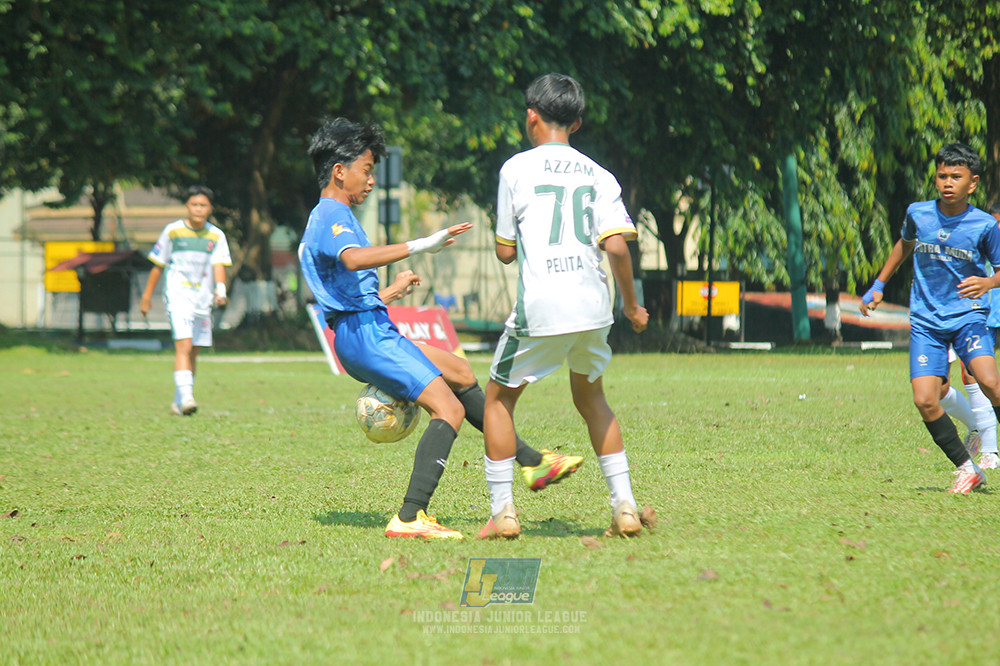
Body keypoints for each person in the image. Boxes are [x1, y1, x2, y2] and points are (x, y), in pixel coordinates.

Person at [298, 117, 583, 540]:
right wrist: (422, 243)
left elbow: (340, 287)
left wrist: (390, 290)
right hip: (366, 336)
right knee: (447, 409)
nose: (372, 180)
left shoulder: (330, 215)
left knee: (461, 372)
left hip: (367, 327)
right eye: (367, 169)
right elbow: (353, 260)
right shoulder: (331, 214)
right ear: (339, 171)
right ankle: (411, 516)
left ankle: (531, 461)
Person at [478, 73, 654, 540]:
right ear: (576, 122)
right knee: (592, 399)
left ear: (531, 115)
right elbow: (616, 247)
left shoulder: (515, 170)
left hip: (542, 308)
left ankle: (503, 514)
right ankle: (626, 508)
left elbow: (505, 251)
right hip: (594, 309)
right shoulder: (600, 174)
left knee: (498, 401)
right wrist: (633, 309)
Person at [860, 143, 1000, 493]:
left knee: (990, 381)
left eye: (956, 176)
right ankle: (968, 468)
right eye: (942, 176)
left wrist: (988, 281)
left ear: (973, 183)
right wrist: (879, 284)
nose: (947, 182)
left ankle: (989, 445)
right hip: (925, 321)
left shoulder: (984, 225)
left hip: (967, 317)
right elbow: (904, 244)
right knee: (925, 398)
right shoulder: (918, 213)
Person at [140, 186, 231, 416]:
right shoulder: (172, 231)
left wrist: (220, 290)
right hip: (178, 296)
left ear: (210, 209)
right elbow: (158, 264)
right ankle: (188, 398)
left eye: (203, 205)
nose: (198, 209)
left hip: (203, 300)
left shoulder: (216, 235)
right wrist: (146, 296)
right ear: (187, 206)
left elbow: (219, 264)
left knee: (194, 352)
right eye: (194, 205)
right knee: (184, 345)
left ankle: (178, 400)